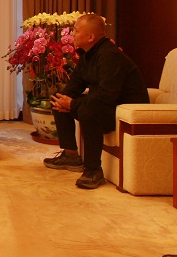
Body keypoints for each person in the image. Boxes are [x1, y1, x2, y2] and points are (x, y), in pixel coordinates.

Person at [46, 13, 148, 189]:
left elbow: (107, 95)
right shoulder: (88, 55)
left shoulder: (110, 55)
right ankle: (71, 155)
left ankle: (93, 171)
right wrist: (63, 100)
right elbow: (75, 85)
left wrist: (73, 104)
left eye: (76, 31)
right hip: (106, 105)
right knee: (58, 100)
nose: (72, 34)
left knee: (87, 110)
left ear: (90, 37)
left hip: (124, 113)